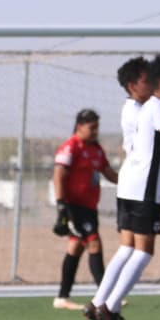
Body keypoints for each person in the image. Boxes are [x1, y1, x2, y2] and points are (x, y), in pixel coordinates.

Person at [85, 56, 160, 320]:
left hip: (130, 184)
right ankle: (109, 307)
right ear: (136, 85)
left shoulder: (141, 108)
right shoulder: (151, 108)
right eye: (147, 79)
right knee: (144, 251)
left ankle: (98, 303)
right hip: (143, 188)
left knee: (128, 248)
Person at [51, 109, 118, 309]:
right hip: (74, 207)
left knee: (76, 248)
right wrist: (61, 204)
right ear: (79, 126)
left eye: (97, 127)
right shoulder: (71, 147)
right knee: (94, 244)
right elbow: (59, 174)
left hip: (90, 208)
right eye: (92, 127)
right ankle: (104, 295)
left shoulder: (96, 149)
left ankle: (62, 297)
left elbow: (108, 172)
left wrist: (129, 183)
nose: (95, 131)